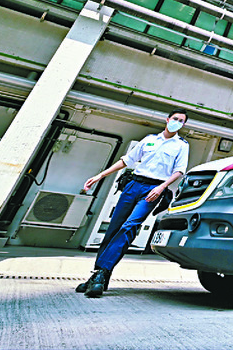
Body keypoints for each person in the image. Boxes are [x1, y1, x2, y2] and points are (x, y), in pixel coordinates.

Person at [76, 109, 190, 298]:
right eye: (175, 118)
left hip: (153, 190)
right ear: (167, 119)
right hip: (133, 185)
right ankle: (99, 276)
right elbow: (126, 161)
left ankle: (101, 273)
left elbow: (179, 171)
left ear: (183, 125)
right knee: (113, 229)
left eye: (181, 121)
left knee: (130, 226)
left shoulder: (181, 146)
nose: (177, 122)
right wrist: (100, 176)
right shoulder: (149, 139)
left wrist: (162, 187)